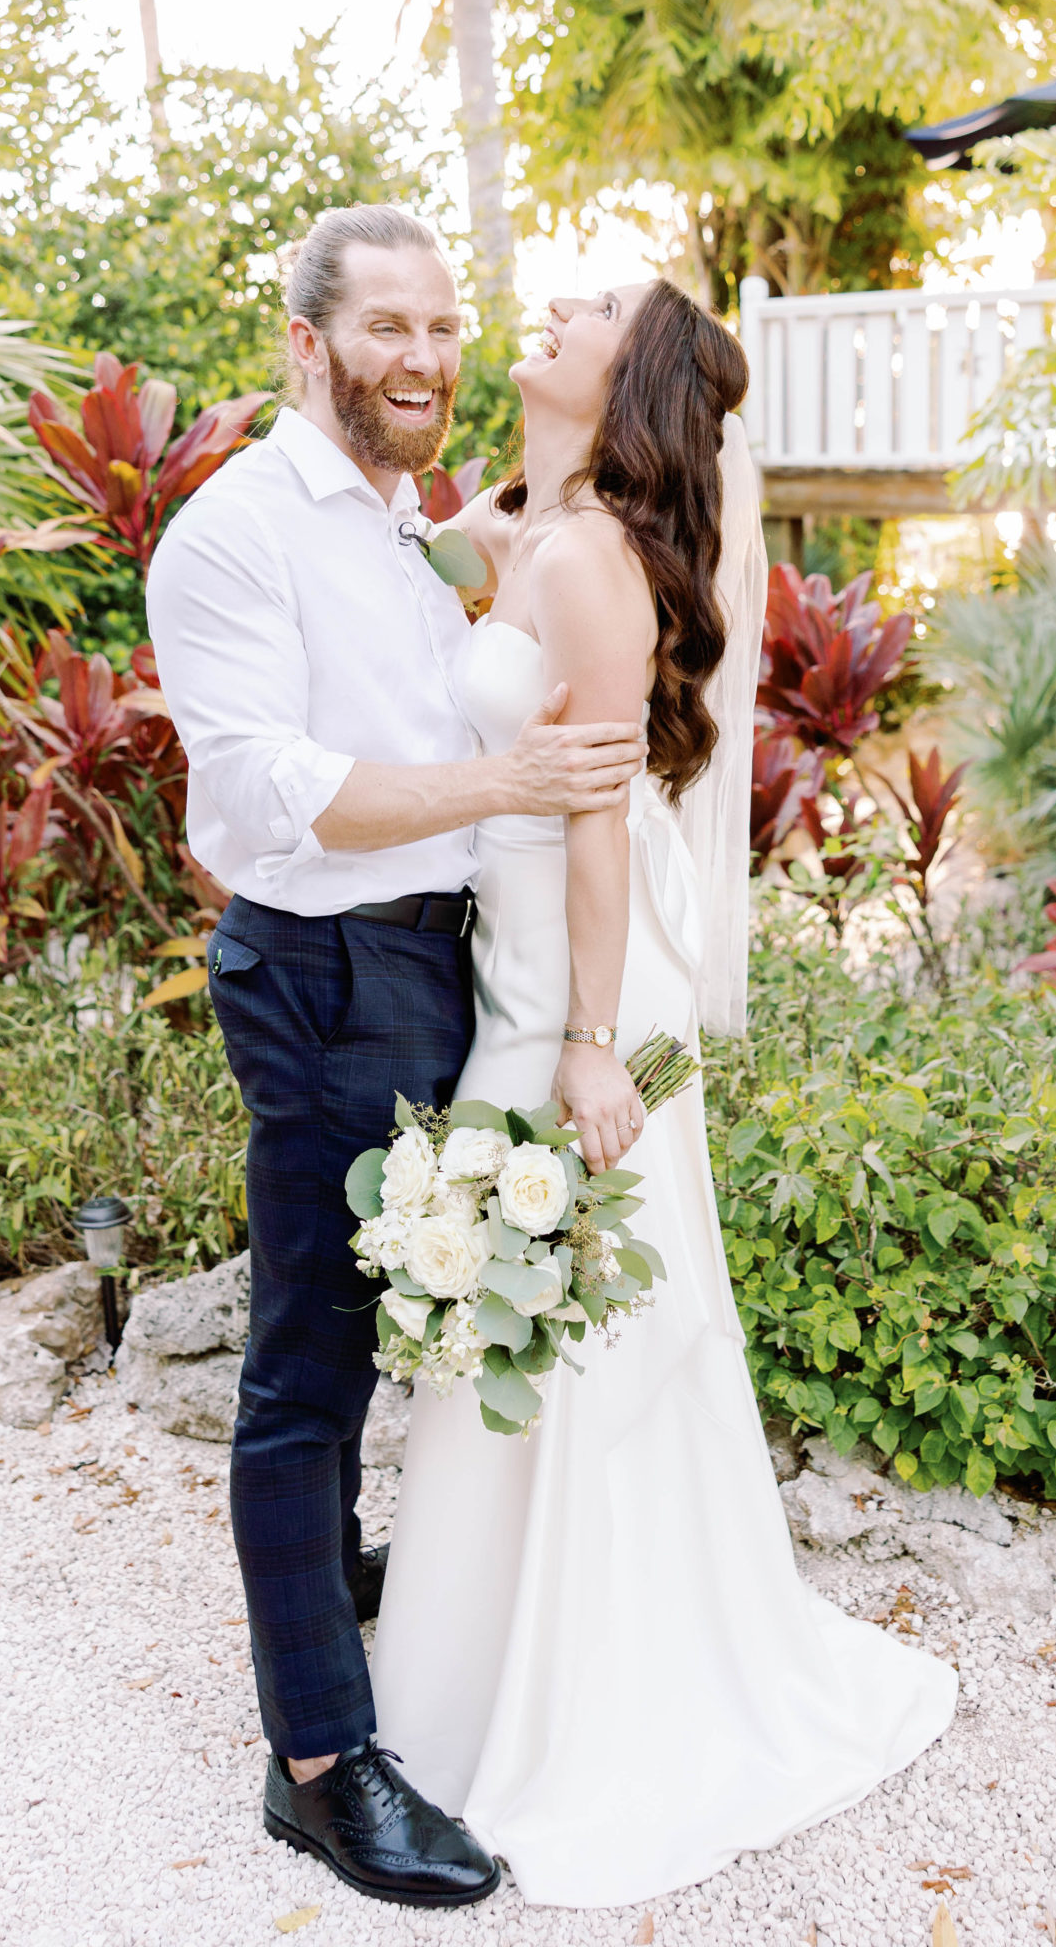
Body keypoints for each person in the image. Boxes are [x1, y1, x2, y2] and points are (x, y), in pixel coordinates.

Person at [367, 278, 957, 1908]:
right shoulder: (543, 531)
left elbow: (601, 820)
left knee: (573, 1299)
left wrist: (584, 1041)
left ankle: (601, 1683)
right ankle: (470, 1673)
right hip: (519, 954)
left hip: (575, 967)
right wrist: (497, 502)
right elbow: (463, 575)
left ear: (630, 381)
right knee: (517, 1293)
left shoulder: (595, 561)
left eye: (595, 307)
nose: (550, 306)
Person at [145, 204, 650, 1910]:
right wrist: (510, 793)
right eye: (387, 332)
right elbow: (272, 791)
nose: (427, 359)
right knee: (309, 1363)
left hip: (441, 965)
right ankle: (319, 1767)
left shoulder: (413, 521)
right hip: (319, 968)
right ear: (307, 346)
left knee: (408, 1312)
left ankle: (347, 1576)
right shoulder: (232, 538)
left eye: (444, 328)